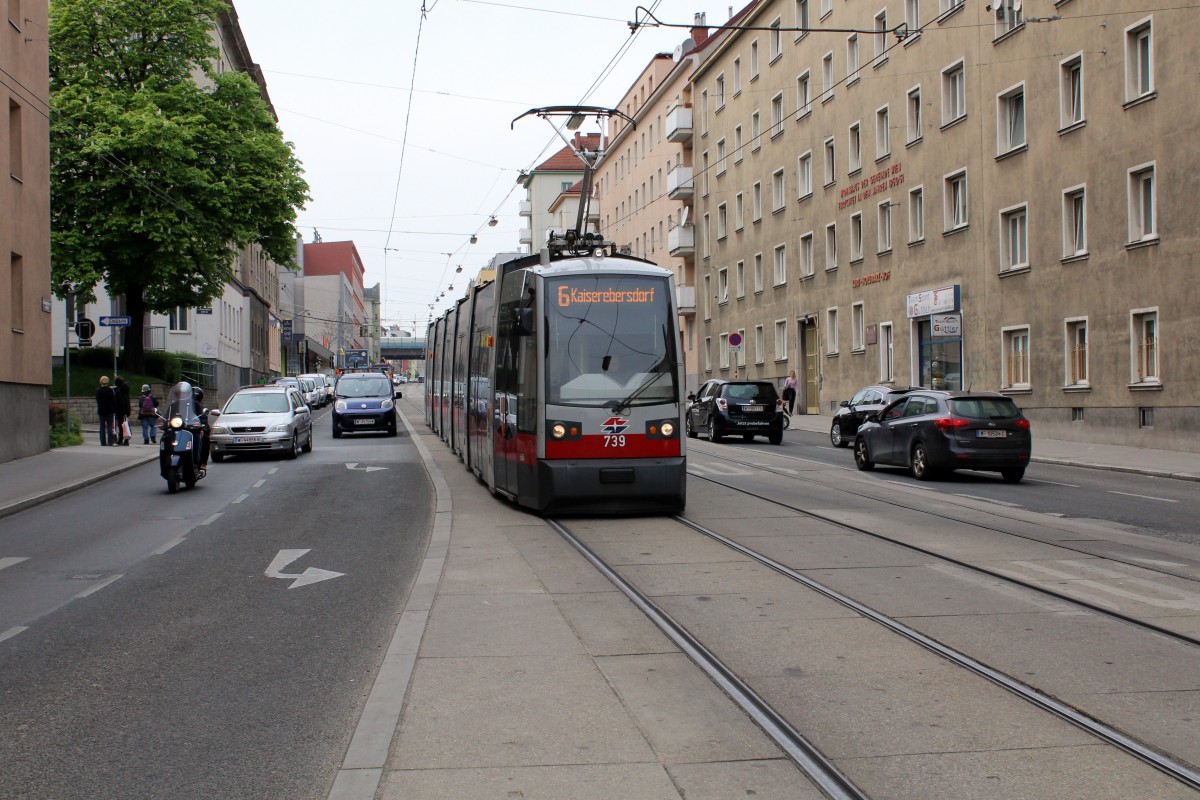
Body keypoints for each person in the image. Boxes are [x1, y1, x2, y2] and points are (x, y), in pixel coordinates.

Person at [95, 376, 118, 446]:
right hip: (110, 410)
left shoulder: (98, 390)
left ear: (100, 382)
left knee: (102, 426)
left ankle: (103, 442)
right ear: (107, 382)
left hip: (101, 410)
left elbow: (97, 400)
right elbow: (113, 400)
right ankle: (110, 442)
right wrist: (115, 408)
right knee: (109, 426)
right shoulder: (110, 390)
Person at [113, 376, 132, 445]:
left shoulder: (118, 391)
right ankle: (126, 440)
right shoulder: (125, 389)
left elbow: (117, 401)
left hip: (120, 410)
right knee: (125, 425)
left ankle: (121, 440)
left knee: (121, 426)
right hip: (126, 410)